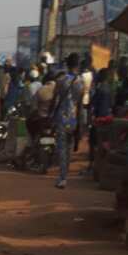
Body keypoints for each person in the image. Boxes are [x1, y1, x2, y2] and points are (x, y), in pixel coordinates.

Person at [51, 52, 84, 188]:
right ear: (78, 65)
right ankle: (65, 176)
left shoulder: (61, 80)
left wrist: (49, 115)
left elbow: (54, 100)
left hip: (62, 118)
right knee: (69, 148)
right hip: (73, 119)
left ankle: (62, 177)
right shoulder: (81, 82)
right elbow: (81, 105)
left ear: (67, 64)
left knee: (62, 149)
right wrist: (81, 124)